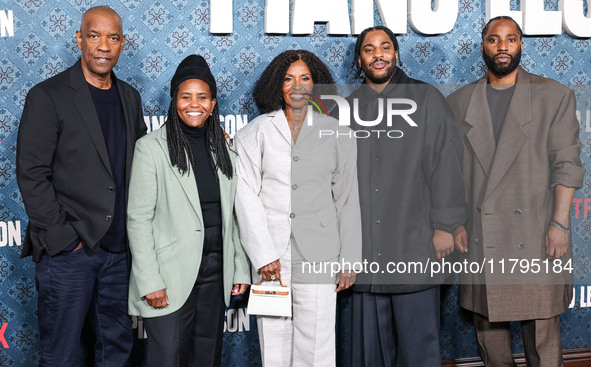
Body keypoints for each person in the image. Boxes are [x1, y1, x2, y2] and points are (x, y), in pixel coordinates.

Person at [447, 16, 584, 366]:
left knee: (542, 336)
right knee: (491, 337)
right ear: (483, 47)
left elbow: (566, 166)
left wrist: (560, 225)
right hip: (481, 233)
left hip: (537, 231)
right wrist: (456, 223)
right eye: (494, 40)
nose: (502, 46)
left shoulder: (553, 96)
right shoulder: (460, 102)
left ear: (522, 45)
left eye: (511, 39)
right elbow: (451, 173)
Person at [15, 6, 145, 366]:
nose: (104, 46)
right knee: (60, 354)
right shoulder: (48, 95)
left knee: (116, 351)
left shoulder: (130, 98)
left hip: (119, 252)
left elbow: (145, 162)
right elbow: (31, 173)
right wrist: (63, 239)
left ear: (122, 44)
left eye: (113, 38)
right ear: (79, 39)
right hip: (69, 253)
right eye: (94, 36)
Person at [339, 26, 466, 366]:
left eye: (385, 47)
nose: (377, 54)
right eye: (369, 49)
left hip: (416, 246)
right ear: (359, 59)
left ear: (396, 53)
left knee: (419, 351)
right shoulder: (347, 109)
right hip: (366, 253)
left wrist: (444, 226)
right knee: (369, 355)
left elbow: (447, 165)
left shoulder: (426, 99)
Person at [234, 50, 361, 366]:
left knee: (317, 341)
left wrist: (350, 260)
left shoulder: (338, 134)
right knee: (274, 342)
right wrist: (263, 255)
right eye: (289, 78)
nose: (297, 86)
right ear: (278, 85)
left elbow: (346, 200)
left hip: (320, 253)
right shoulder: (256, 131)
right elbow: (245, 196)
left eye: (305, 78)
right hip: (271, 258)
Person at [126, 54, 250, 367]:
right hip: (169, 275)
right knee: (167, 358)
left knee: (206, 358)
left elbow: (233, 217)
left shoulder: (225, 150)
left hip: (215, 272)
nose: (193, 104)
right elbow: (138, 220)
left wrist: (239, 267)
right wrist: (149, 280)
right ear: (174, 100)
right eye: (185, 96)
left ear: (213, 103)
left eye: (202, 97)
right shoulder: (150, 148)